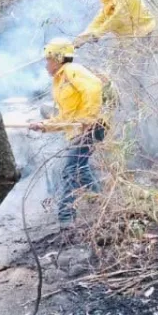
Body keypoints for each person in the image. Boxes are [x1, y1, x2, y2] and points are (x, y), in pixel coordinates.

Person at [28, 38, 107, 225]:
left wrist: (88, 118)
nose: (46, 64)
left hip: (90, 127)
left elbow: (94, 87)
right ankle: (102, 201)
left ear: (58, 58)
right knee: (80, 167)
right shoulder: (60, 80)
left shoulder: (72, 70)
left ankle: (66, 218)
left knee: (70, 169)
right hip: (80, 128)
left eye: (48, 60)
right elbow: (66, 118)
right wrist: (44, 125)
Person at [75, 0, 156, 46]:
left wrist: (98, 34)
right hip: (130, 39)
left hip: (144, 34)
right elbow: (99, 20)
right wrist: (83, 37)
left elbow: (117, 18)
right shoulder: (109, 3)